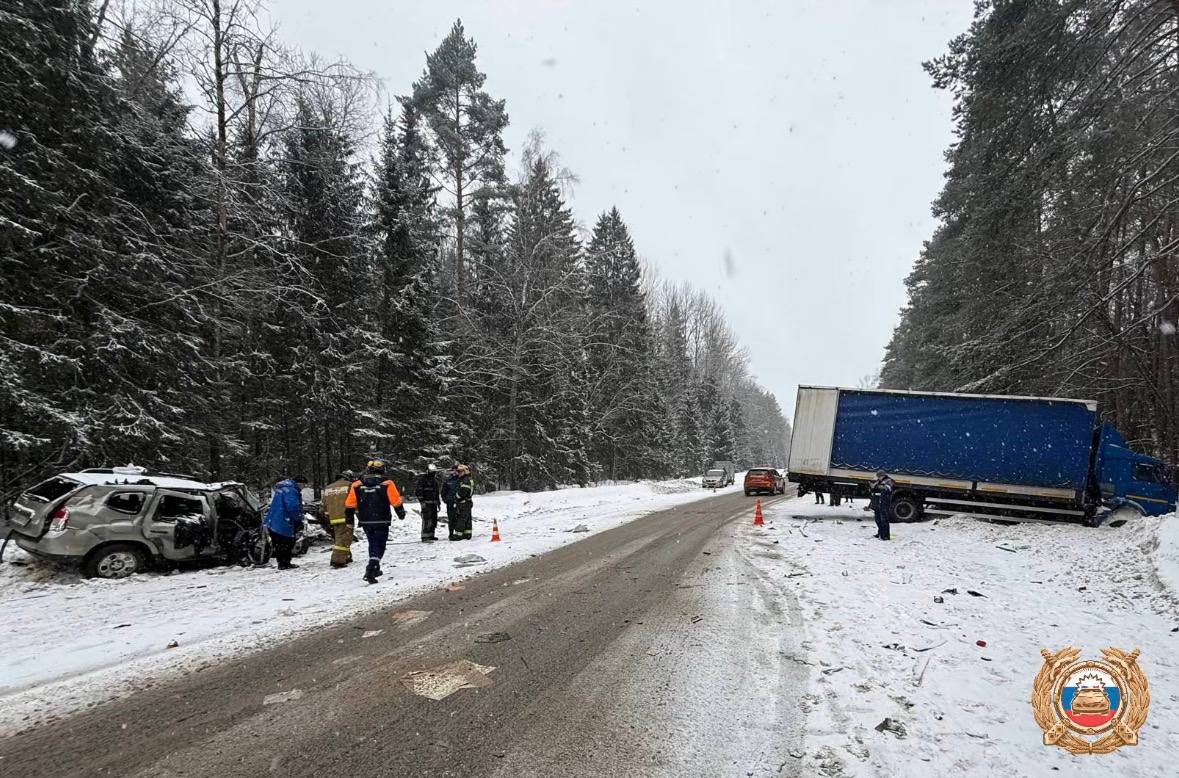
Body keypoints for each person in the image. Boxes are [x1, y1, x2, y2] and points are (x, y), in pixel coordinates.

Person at [344, 459, 406, 583]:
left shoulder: (356, 484)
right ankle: (371, 568)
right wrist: (400, 513)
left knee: (372, 543)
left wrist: (349, 518)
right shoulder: (387, 483)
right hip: (381, 518)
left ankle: (376, 567)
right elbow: (395, 500)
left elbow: (350, 503)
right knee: (380, 544)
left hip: (366, 519)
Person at [264, 474, 308, 570]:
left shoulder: (282, 489)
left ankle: (282, 562)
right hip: (283, 521)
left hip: (274, 520)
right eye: (304, 485)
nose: (304, 488)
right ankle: (285, 563)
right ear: (300, 483)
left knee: (279, 543)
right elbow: (292, 507)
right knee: (287, 542)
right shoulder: (291, 491)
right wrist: (299, 519)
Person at [322, 469, 356, 567]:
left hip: (333, 517)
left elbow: (323, 504)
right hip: (346, 516)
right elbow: (354, 500)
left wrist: (327, 516)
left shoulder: (328, 487)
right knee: (345, 538)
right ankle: (337, 560)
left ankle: (346, 556)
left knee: (340, 537)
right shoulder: (350, 485)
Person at [415, 462, 442, 542]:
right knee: (427, 519)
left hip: (433, 503)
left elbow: (437, 493)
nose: (433, 473)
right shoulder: (422, 480)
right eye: (432, 472)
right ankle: (425, 536)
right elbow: (418, 491)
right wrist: (422, 501)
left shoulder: (435, 481)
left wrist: (438, 503)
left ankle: (431, 535)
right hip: (426, 503)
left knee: (433, 519)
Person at [870, 470, 895, 541]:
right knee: (878, 519)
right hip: (878, 502)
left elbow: (887, 488)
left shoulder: (889, 481)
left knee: (884, 519)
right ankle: (880, 533)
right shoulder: (879, 481)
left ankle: (885, 536)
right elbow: (875, 489)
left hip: (884, 502)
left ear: (882, 476)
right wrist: (872, 486)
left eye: (879, 476)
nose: (878, 478)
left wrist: (877, 486)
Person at [453, 464, 475, 540]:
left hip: (463, 502)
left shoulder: (465, 480)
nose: (458, 473)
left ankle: (458, 535)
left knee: (461, 519)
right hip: (467, 502)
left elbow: (463, 491)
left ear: (465, 471)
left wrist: (456, 497)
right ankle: (467, 534)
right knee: (467, 518)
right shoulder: (468, 479)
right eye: (458, 471)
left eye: (460, 471)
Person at [443, 465, 462, 541]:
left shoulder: (461, 479)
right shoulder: (448, 480)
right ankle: (451, 533)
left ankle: (458, 533)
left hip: (459, 502)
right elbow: (444, 491)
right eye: (453, 470)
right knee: (451, 519)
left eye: (456, 470)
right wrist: (445, 499)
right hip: (450, 502)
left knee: (459, 518)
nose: (454, 472)